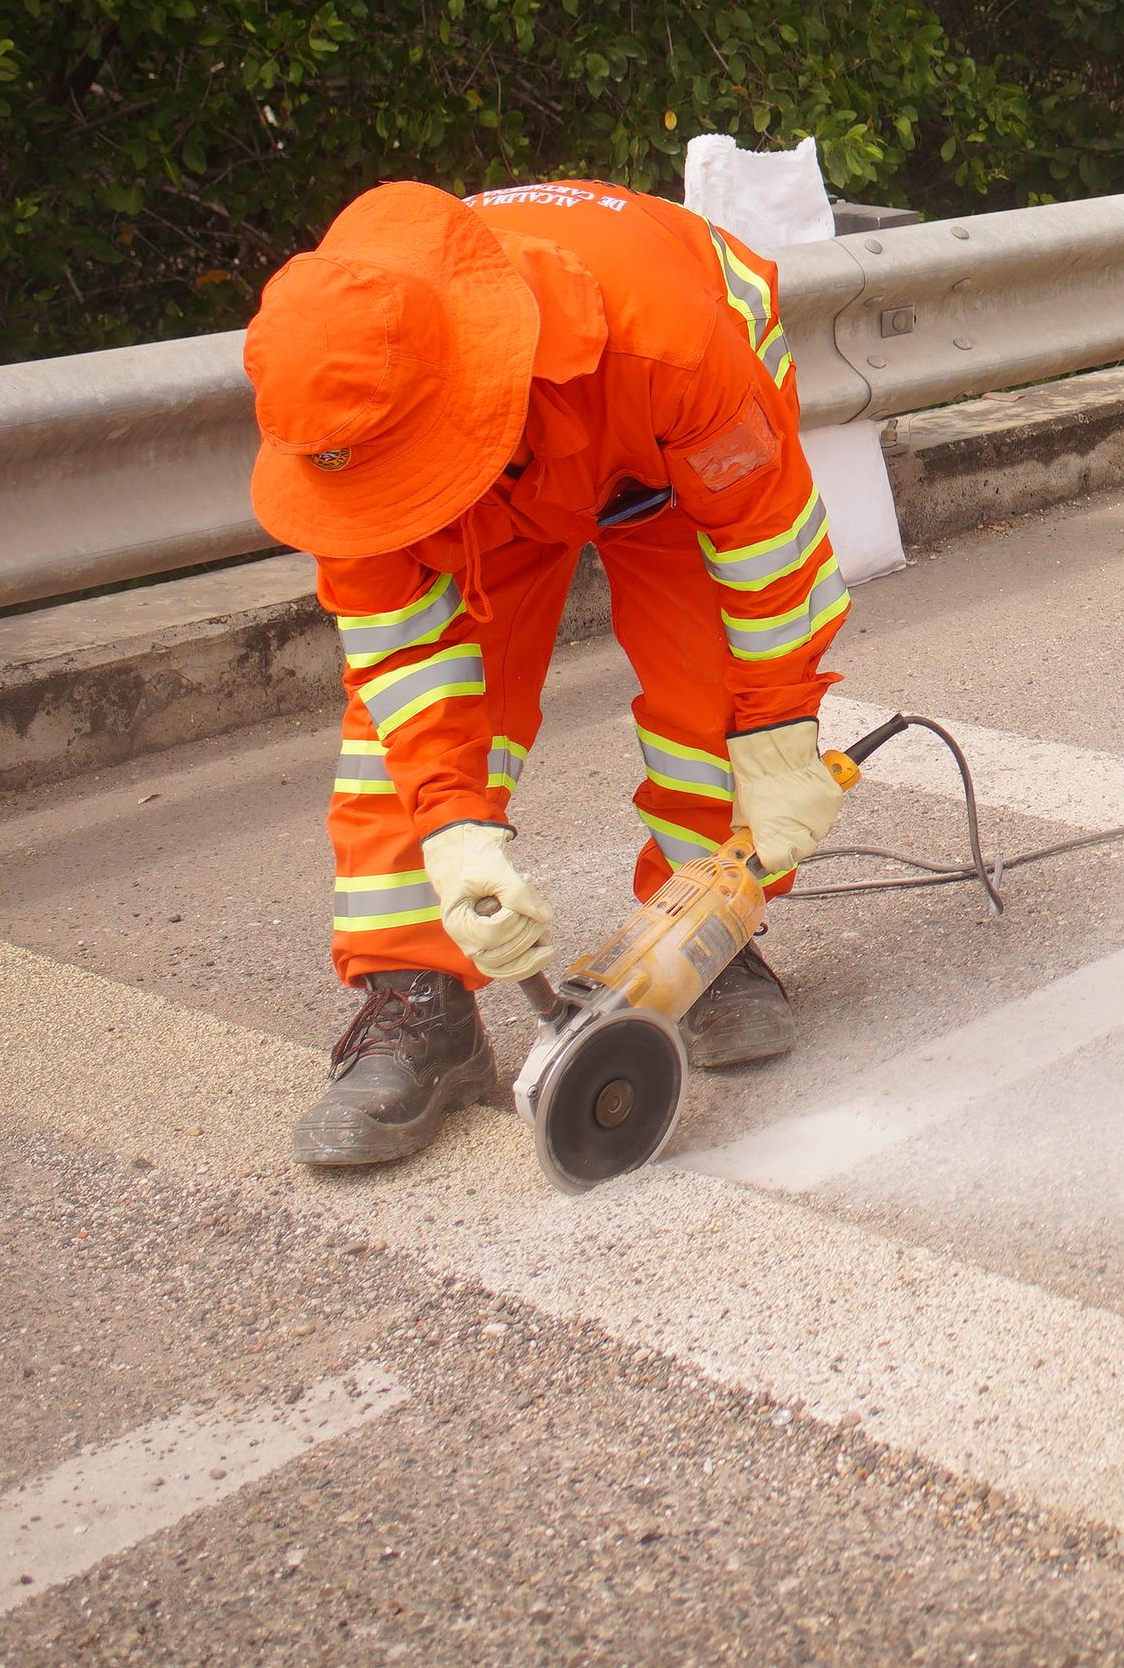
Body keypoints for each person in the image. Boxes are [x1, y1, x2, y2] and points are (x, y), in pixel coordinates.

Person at [244, 177, 861, 1167]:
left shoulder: (668, 345)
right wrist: (453, 834)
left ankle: (706, 944)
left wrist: (783, 732)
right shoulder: (347, 418)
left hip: (657, 454)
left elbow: (765, 547)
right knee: (397, 743)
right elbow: (404, 664)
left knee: (712, 703)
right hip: (495, 474)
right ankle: (419, 1007)